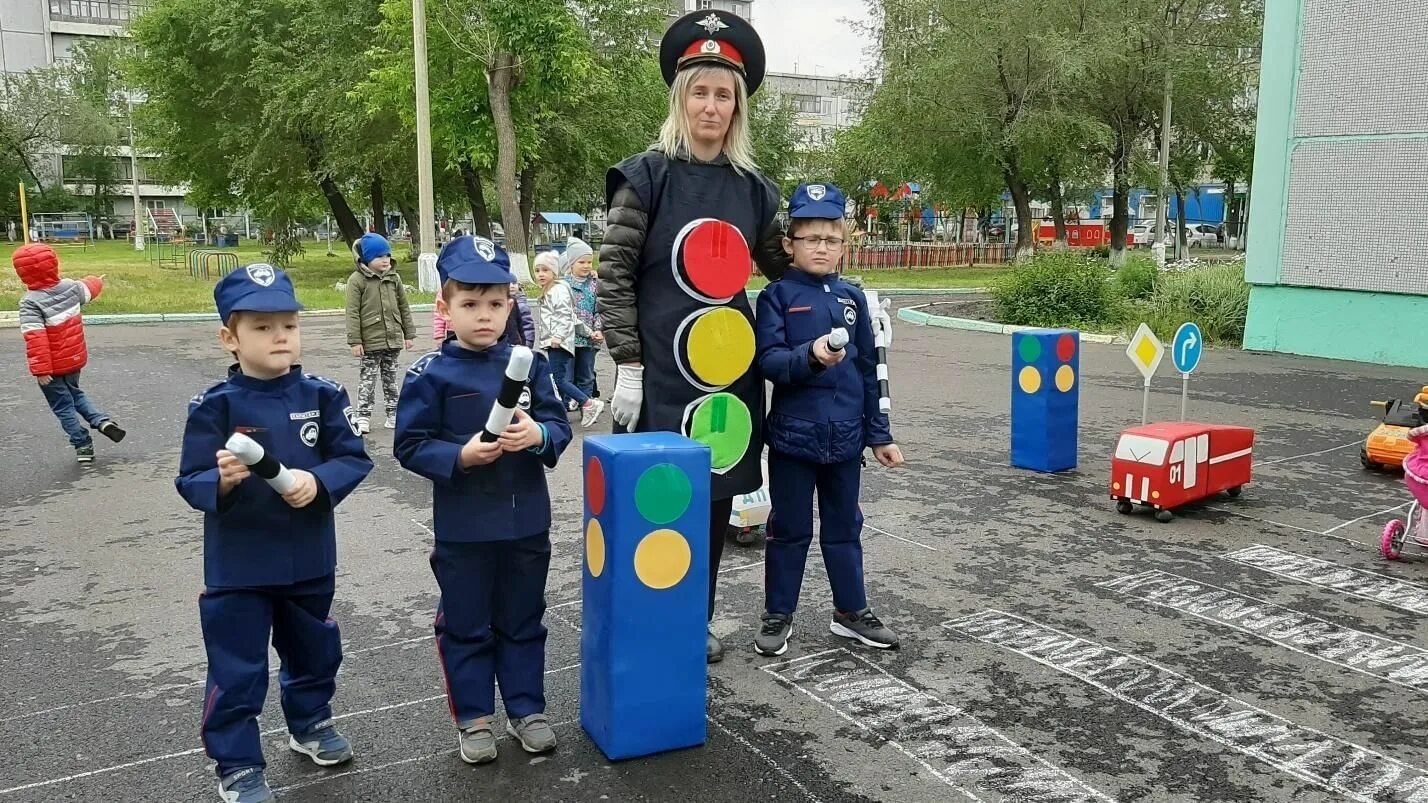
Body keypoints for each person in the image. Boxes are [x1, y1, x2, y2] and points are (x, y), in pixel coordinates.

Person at [597, 9, 789, 664]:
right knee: (648, 500)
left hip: (724, 384)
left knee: (709, 503)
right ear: (682, 99)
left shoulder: (756, 191)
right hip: (655, 379)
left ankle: (695, 616)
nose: (712, 105)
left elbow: (787, 274)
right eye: (700, 92)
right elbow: (613, 273)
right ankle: (640, 616)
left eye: (723, 94)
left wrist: (836, 301)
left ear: (738, 107)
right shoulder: (646, 177)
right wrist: (627, 363)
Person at [175, 264, 373, 803]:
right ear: (229, 338)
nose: (279, 335)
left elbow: (353, 458)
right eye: (261, 327)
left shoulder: (325, 395)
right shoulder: (214, 406)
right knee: (237, 669)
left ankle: (309, 724)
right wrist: (219, 481)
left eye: (287, 323)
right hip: (239, 566)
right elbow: (189, 478)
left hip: (309, 558)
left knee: (314, 652)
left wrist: (318, 481)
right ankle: (237, 764)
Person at [394, 235, 573, 766]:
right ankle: (474, 716)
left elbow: (559, 425)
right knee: (467, 624)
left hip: (525, 526)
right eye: (470, 304)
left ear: (511, 304)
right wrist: (461, 457)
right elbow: (410, 445)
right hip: (465, 529)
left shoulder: (530, 365)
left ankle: (526, 708)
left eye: (496, 303)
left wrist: (537, 436)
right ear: (444, 307)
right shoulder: (430, 375)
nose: (484, 316)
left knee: (523, 619)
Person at [751, 183, 905, 658]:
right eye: (810, 238)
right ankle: (779, 613)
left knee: (845, 529)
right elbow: (769, 362)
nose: (821, 247)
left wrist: (879, 435)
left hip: (845, 442)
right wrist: (812, 357)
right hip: (794, 442)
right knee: (789, 530)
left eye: (831, 239)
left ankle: (850, 612)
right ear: (789, 244)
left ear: (844, 243)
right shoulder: (776, 297)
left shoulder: (854, 298)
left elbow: (869, 371)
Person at [12, 242, 126, 463]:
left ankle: (82, 444)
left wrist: (41, 370)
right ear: (54, 264)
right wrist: (97, 280)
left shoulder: (30, 303)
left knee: (62, 406)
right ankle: (103, 422)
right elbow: (89, 289)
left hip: (51, 367)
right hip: (74, 360)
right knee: (75, 394)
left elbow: (36, 338)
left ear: (22, 274)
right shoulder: (70, 287)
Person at [345, 233, 415, 433]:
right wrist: (355, 341)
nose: (385, 260)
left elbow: (403, 306)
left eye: (387, 255)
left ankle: (393, 414)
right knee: (367, 379)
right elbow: (352, 313)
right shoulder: (357, 281)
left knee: (391, 379)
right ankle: (363, 416)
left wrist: (408, 334)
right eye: (379, 256)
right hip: (369, 341)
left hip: (392, 340)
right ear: (367, 259)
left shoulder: (394, 278)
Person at [534, 251, 605, 427]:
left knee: (559, 380)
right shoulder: (551, 290)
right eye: (537, 270)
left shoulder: (558, 290)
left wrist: (557, 336)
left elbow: (565, 316)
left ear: (554, 272)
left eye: (545, 270)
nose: (541, 274)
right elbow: (573, 318)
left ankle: (587, 403)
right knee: (559, 379)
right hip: (556, 342)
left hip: (558, 342)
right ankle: (572, 404)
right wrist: (589, 332)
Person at [561, 237, 603, 400]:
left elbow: (599, 309)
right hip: (568, 340)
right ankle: (563, 407)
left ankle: (587, 406)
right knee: (566, 376)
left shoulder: (594, 284)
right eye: (581, 262)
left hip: (589, 340)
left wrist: (599, 329)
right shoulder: (563, 285)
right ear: (571, 263)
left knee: (586, 375)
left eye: (589, 262)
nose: (586, 266)